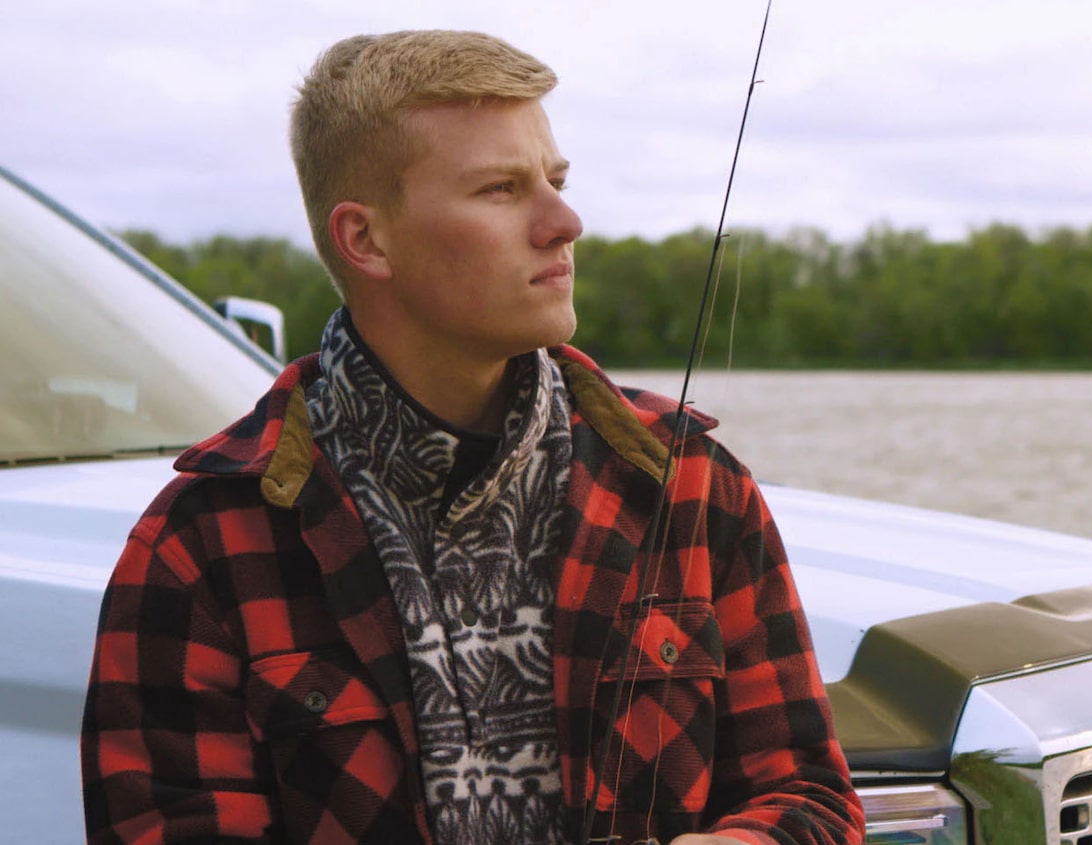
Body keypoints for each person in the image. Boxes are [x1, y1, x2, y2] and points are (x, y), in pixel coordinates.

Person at [81, 30, 865, 845]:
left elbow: (808, 794)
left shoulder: (692, 482)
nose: (565, 222)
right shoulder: (201, 548)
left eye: (555, 182)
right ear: (366, 239)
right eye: (501, 189)